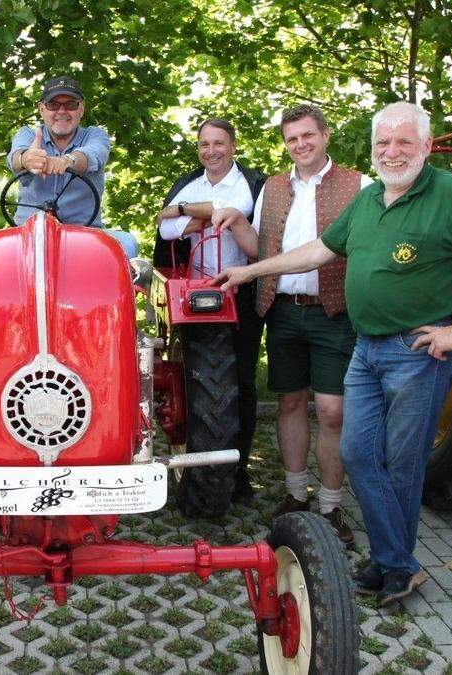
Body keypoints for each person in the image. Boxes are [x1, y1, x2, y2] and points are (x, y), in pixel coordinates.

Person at [214, 102, 452, 606]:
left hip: (419, 353)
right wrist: (250, 273)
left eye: (404, 142)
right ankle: (393, 561)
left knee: (401, 465)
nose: (392, 151)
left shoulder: (451, 195)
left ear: (427, 147)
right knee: (360, 455)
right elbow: (321, 249)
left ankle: (395, 566)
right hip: (366, 348)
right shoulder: (370, 200)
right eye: (383, 143)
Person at [242, 105, 373, 544]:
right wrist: (229, 220)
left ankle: (332, 506)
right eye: (292, 138)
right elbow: (260, 248)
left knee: (333, 410)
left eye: (307, 136)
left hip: (334, 310)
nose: (300, 144)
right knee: (290, 404)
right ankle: (296, 495)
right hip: (282, 310)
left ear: (325, 135)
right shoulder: (274, 188)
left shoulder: (360, 184)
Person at [154, 118, 264, 503]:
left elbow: (233, 209)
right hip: (201, 295)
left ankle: (238, 470)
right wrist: (199, 212)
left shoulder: (251, 182)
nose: (211, 151)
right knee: (199, 378)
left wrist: (187, 213)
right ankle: (203, 469)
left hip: (243, 291)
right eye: (204, 144)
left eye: (219, 143)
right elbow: (165, 228)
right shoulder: (189, 183)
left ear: (233, 145)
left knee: (244, 382)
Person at [7, 75, 139, 257]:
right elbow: (15, 158)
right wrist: (26, 159)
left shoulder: (95, 136)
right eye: (53, 105)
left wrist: (68, 161)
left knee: (128, 243)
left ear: (81, 109)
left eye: (70, 104)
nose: (62, 111)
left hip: (84, 236)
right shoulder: (28, 135)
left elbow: (93, 154)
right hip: (26, 234)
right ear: (41, 109)